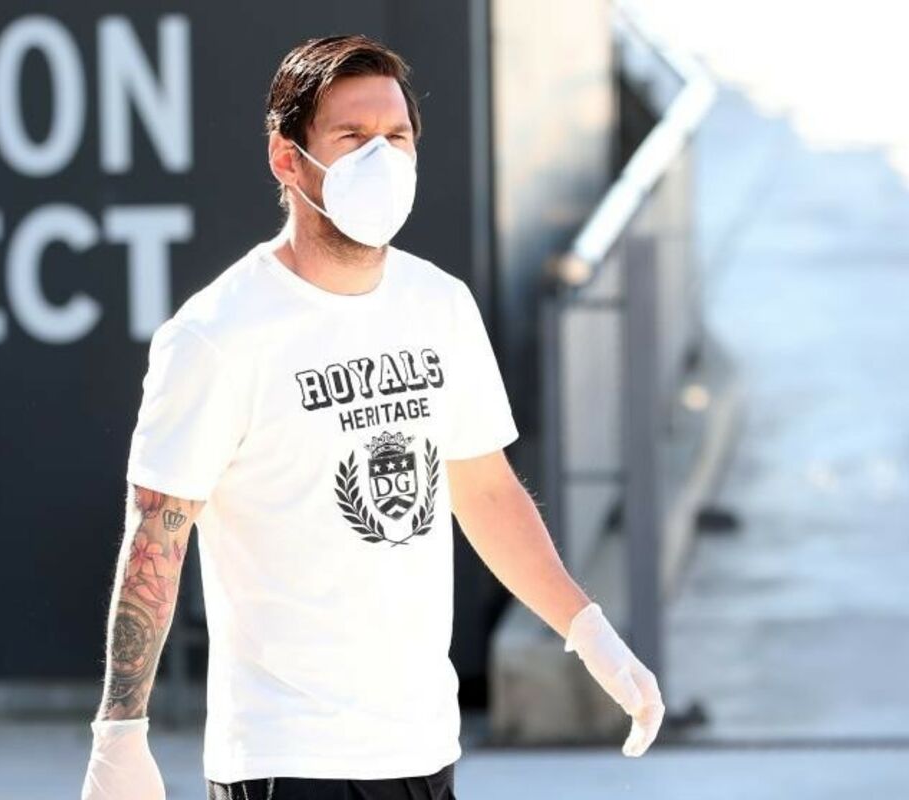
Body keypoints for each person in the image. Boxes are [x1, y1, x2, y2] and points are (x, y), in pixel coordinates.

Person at [80, 34, 665, 800]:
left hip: (422, 750)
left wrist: (588, 631)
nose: (380, 160)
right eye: (352, 138)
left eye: (397, 137)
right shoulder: (218, 334)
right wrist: (121, 733)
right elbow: (158, 531)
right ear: (287, 159)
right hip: (287, 762)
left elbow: (486, 492)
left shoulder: (440, 305)